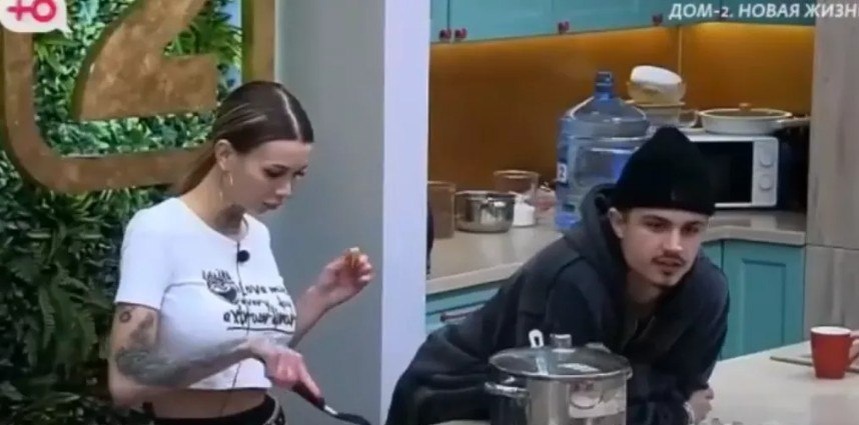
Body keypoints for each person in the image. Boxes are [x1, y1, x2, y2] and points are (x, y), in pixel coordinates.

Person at [387, 126, 729, 425]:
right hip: (454, 396)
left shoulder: (707, 291)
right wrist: (675, 412)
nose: (674, 246)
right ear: (618, 223)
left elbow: (687, 389)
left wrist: (641, 399)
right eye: (656, 226)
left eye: (691, 230)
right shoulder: (569, 279)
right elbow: (562, 412)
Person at [107, 81, 374, 425]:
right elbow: (126, 383)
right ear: (225, 155)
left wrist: (321, 296)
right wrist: (242, 347)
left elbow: (260, 351)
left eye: (297, 175)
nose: (286, 190)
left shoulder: (256, 234)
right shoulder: (157, 229)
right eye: (273, 173)